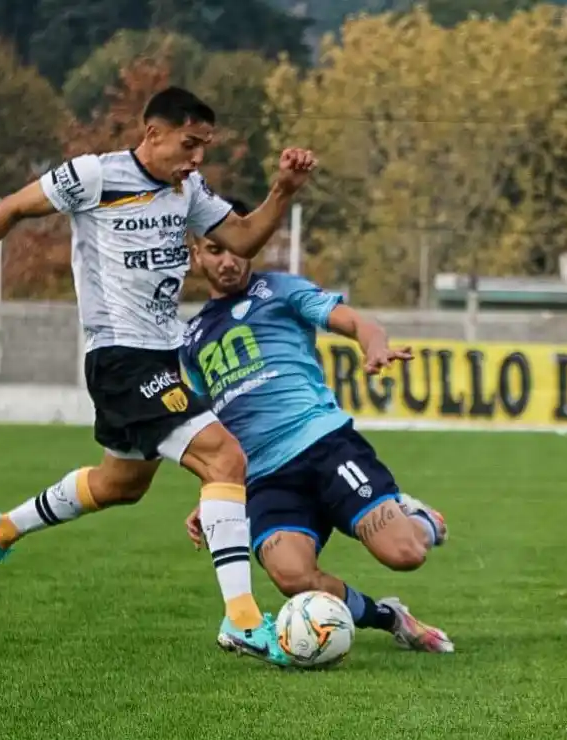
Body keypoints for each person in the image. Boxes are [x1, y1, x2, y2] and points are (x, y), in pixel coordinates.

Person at [0, 86, 317, 666]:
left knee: (120, 487)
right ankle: (241, 620)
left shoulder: (187, 191)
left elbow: (241, 236)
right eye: (189, 143)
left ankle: (1, 529)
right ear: (152, 132)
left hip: (160, 358)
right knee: (225, 459)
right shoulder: (94, 176)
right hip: (120, 358)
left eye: (204, 146)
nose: (197, 158)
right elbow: (9, 207)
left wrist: (282, 190)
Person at [180, 198, 454, 654]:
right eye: (214, 250)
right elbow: (211, 429)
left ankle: (423, 520)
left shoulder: (281, 290)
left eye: (236, 249)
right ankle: (390, 617)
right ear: (195, 254)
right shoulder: (189, 341)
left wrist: (375, 345)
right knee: (292, 577)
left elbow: (355, 322)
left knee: (405, 554)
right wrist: (213, 497)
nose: (228, 261)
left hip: (322, 445)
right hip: (264, 477)